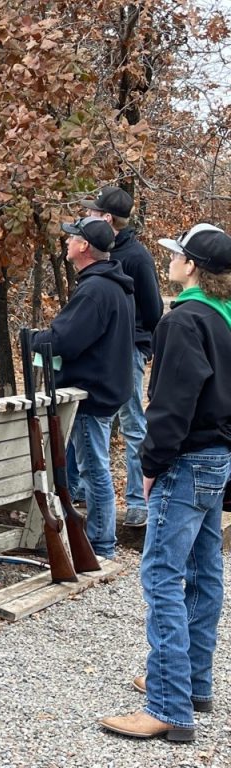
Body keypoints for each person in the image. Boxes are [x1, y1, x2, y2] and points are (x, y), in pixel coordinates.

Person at [101, 224, 231, 742]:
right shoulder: (224, 320)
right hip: (218, 459)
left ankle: (168, 706)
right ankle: (191, 682)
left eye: (178, 256)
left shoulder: (184, 321)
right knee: (204, 572)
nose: (171, 262)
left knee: (161, 578)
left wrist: (152, 466)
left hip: (187, 460)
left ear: (193, 267)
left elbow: (172, 406)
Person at [31, 217, 134, 559]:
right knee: (91, 467)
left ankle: (101, 547)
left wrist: (33, 339)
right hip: (104, 388)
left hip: (91, 394)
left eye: (73, 237)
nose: (67, 242)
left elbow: (66, 340)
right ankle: (96, 543)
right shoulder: (110, 284)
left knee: (94, 470)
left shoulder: (95, 290)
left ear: (84, 246)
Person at [77, 186, 163, 528]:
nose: (87, 215)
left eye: (94, 212)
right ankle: (87, 493)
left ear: (107, 218)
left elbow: (154, 311)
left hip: (127, 350)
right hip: (100, 350)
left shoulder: (137, 256)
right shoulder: (99, 251)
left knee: (132, 424)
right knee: (90, 419)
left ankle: (138, 503)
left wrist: (138, 347)